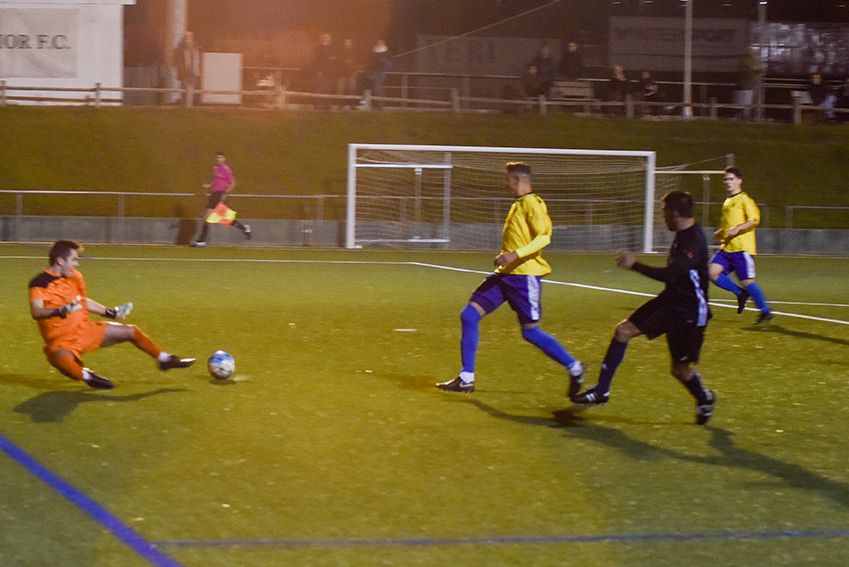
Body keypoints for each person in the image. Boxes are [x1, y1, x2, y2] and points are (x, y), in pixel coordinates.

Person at [436, 162, 585, 396]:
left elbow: (544, 237)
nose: (504, 185)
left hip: (524, 278)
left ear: (517, 181)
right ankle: (466, 377)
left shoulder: (533, 203)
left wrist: (515, 254)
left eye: (507, 181)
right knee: (469, 315)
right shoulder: (518, 204)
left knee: (530, 331)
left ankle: (575, 367)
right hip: (505, 276)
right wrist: (506, 256)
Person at [571, 190, 715, 426]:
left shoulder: (692, 240)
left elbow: (671, 274)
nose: (663, 217)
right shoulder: (683, 234)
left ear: (675, 212)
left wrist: (634, 265)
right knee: (623, 331)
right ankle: (602, 390)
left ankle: (704, 398)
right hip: (669, 302)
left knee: (680, 370)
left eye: (664, 212)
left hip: (689, 313)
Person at [29, 240, 195, 389]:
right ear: (60, 261)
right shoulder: (39, 284)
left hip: (86, 331)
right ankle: (87, 375)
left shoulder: (74, 277)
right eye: (74, 259)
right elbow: (36, 312)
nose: (77, 264)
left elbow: (82, 301)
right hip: (61, 342)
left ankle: (164, 359)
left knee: (132, 331)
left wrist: (111, 312)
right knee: (64, 363)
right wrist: (60, 310)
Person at [708, 166, 773, 324]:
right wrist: (721, 232)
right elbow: (728, 225)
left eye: (731, 179)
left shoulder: (745, 199)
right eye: (726, 179)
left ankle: (765, 311)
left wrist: (738, 229)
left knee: (747, 281)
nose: (727, 182)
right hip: (727, 248)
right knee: (711, 272)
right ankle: (740, 293)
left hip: (741, 249)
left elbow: (754, 220)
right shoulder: (727, 201)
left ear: (739, 181)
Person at [191, 151, 251, 247]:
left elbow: (233, 183)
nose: (219, 159)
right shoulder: (216, 168)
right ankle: (202, 241)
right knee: (207, 218)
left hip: (220, 195)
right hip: (214, 195)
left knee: (224, 218)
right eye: (217, 157)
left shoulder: (226, 169)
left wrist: (225, 193)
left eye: (220, 157)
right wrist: (209, 185)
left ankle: (244, 228)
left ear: (224, 158)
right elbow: (215, 181)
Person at [172, 31, 202, 106]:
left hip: (194, 73)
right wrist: (182, 70)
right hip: (185, 74)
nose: (189, 39)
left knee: (193, 91)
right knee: (185, 91)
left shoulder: (196, 48)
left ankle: (191, 106)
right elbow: (176, 61)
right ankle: (186, 106)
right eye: (187, 37)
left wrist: (199, 71)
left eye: (190, 37)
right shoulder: (180, 49)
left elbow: (199, 61)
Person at [733, 50, 761, 120]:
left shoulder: (741, 62)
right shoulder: (751, 62)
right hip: (748, 85)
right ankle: (746, 116)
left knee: (740, 102)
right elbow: (756, 69)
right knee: (747, 102)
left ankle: (739, 115)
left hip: (740, 85)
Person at [313, 32, 336, 107]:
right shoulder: (319, 47)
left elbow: (334, 58)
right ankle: (318, 104)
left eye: (328, 38)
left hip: (329, 71)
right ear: (323, 38)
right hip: (321, 71)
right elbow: (317, 59)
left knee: (327, 88)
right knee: (320, 87)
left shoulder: (332, 48)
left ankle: (326, 104)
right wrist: (318, 70)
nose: (327, 39)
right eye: (326, 37)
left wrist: (331, 58)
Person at [367, 38, 393, 103]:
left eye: (381, 42)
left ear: (383, 43)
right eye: (379, 42)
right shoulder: (374, 51)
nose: (380, 43)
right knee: (377, 86)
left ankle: (379, 101)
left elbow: (391, 61)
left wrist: (385, 63)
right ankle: (378, 101)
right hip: (375, 71)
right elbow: (371, 62)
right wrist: (370, 72)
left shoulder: (387, 52)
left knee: (378, 86)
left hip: (382, 71)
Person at [335, 38, 359, 106]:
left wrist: (355, 72)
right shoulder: (340, 52)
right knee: (341, 90)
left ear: (351, 44)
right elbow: (337, 62)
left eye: (349, 42)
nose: (347, 44)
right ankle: (340, 104)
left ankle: (352, 104)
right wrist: (344, 62)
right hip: (342, 74)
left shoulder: (354, 52)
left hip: (351, 74)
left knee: (352, 90)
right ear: (344, 44)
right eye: (346, 42)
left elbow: (356, 63)